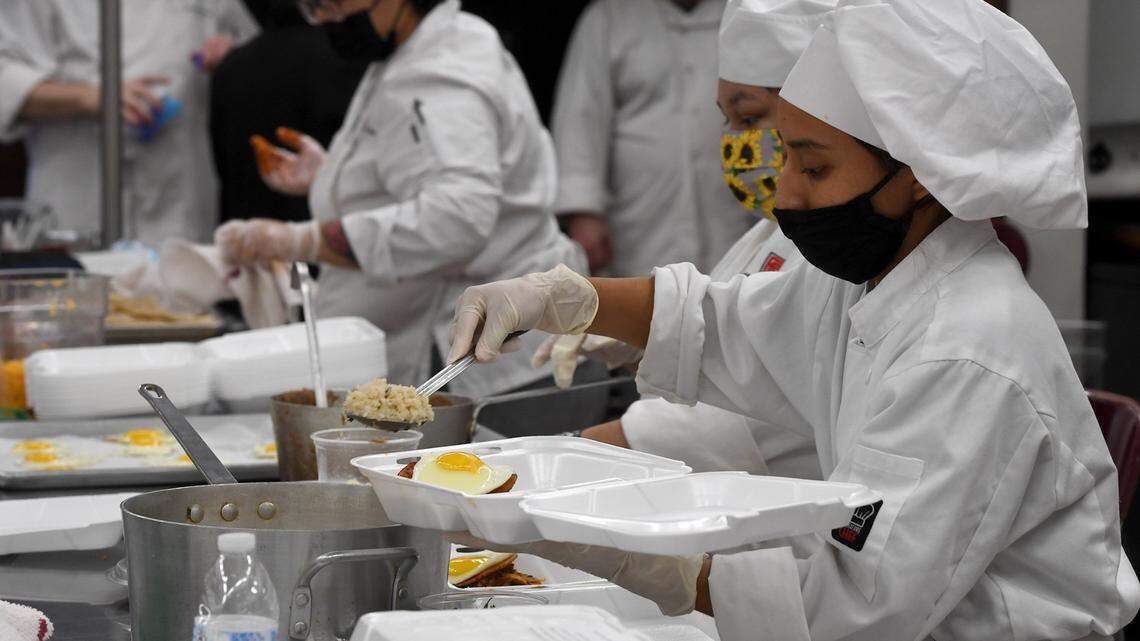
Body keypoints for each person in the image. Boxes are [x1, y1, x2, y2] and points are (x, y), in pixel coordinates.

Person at [446, 0, 1140, 638]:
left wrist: (631, 555)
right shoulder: (876, 280)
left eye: (812, 167)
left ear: (920, 174)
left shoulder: (963, 351)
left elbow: (849, 606)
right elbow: (727, 325)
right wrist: (567, 298)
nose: (784, 195)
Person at [215, 0, 585, 399]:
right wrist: (337, 179)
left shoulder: (442, 76)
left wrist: (298, 241)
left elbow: (457, 218)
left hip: (484, 361)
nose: (325, 20)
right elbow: (424, 167)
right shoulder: (435, 42)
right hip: (478, 341)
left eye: (333, 4)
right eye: (314, 8)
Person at [540, 0, 832, 479]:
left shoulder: (836, 244)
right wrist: (647, 335)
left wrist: (569, 455)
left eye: (749, 118)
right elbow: (737, 336)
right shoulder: (770, 231)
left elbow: (751, 409)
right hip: (643, 226)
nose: (735, 142)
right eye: (727, 121)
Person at [0, 0, 258, 246]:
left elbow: (256, 51)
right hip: (80, 192)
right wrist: (91, 97)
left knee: (181, 269)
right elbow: (6, 79)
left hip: (179, 196)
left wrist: (232, 57)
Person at [552, 0, 753, 275]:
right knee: (646, 292)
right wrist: (584, 212)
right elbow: (581, 115)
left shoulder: (749, 12)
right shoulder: (608, 17)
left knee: (733, 285)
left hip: (731, 209)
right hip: (639, 217)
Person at [210, 3, 367, 225]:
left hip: (252, 225)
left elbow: (222, 162)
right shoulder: (346, 56)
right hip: (327, 224)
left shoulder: (230, 68)